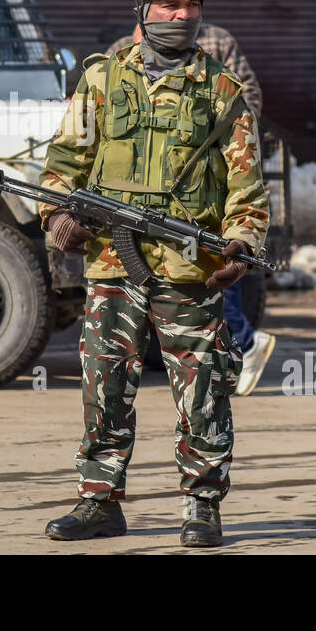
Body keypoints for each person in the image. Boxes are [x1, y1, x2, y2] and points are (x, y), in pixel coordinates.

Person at [38, 0, 270, 547]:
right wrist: (58, 214)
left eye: (191, 7)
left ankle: (201, 507)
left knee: (203, 387)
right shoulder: (101, 82)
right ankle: (99, 502)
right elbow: (63, 165)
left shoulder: (221, 91)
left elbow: (247, 189)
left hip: (190, 269)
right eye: (169, 6)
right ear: (143, 10)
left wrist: (242, 242)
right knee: (104, 382)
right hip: (114, 266)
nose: (181, 16)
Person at [107, 23, 276, 397]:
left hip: (203, 190)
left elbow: (248, 100)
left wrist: (215, 147)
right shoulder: (119, 50)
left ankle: (239, 350)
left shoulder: (218, 42)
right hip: (141, 194)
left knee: (210, 274)